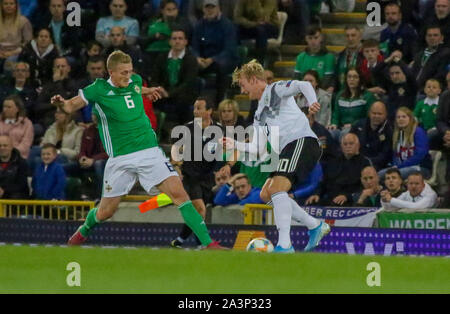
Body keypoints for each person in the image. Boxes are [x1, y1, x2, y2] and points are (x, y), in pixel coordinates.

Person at [52, 50, 224, 249]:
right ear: (111, 72)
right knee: (106, 212)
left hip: (149, 152)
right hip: (120, 158)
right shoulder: (97, 89)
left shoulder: (134, 80)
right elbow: (72, 105)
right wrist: (61, 104)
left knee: (179, 194)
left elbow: (134, 88)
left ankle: (208, 244)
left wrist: (147, 90)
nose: (128, 76)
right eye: (123, 73)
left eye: (130, 71)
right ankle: (82, 232)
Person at [223, 59, 330, 253]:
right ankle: (314, 225)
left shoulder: (275, 90)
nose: (243, 91)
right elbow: (257, 147)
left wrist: (313, 102)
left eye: (243, 85)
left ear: (253, 79)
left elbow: (303, 84)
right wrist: (235, 144)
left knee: (279, 188)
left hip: (303, 141)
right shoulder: (258, 114)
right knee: (266, 193)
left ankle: (284, 245)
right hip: (289, 148)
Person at [170, 96, 225, 248]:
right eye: (194, 108)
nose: (195, 111)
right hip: (189, 176)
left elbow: (225, 151)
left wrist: (224, 168)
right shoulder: (187, 129)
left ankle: (179, 241)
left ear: (209, 111)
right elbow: (175, 150)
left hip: (207, 177)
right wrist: (177, 167)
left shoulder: (219, 130)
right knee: (200, 208)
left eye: (199, 108)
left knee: (198, 212)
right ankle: (204, 243)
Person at [191, 0, 239, 106]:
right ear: (203, 9)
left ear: (218, 8)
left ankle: (219, 103)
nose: (210, 10)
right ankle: (193, 103)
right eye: (207, 7)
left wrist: (213, 59)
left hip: (225, 59)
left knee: (222, 67)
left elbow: (229, 49)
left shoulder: (227, 25)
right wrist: (197, 58)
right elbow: (194, 46)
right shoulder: (199, 25)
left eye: (212, 7)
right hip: (204, 60)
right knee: (190, 65)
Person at [305, 133, 372, 207]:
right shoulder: (334, 162)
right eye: (345, 144)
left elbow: (366, 185)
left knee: (338, 203)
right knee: (311, 203)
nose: (348, 146)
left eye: (351, 143)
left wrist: (347, 196)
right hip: (331, 198)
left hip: (350, 199)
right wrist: (316, 194)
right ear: (341, 147)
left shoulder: (364, 162)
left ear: (358, 145)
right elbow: (324, 181)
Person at [150, 28, 198, 125]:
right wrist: (159, 89)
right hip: (163, 93)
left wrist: (169, 93)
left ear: (185, 42)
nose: (177, 41)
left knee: (183, 102)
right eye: (174, 38)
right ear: (170, 41)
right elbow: (154, 78)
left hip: (183, 94)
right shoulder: (161, 57)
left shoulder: (191, 59)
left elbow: (188, 83)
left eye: (180, 38)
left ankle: (183, 133)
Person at [379, 107, 432, 179]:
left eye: (404, 116)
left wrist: (399, 167)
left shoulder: (418, 132)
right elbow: (395, 156)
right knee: (379, 175)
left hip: (420, 167)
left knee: (396, 176)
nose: (401, 119)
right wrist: (395, 166)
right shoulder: (397, 134)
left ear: (410, 118)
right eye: (398, 117)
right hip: (401, 168)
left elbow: (420, 154)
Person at [64, 115, 108, 200]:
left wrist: (93, 160)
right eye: (93, 114)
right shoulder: (88, 130)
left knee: (98, 164)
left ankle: (101, 197)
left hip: (105, 162)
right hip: (89, 161)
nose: (94, 116)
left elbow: (110, 152)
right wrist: (82, 157)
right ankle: (70, 197)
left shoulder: (110, 130)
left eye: (96, 113)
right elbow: (82, 150)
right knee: (63, 168)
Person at [329, 68, 376, 139]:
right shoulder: (340, 95)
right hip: (341, 127)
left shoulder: (367, 96)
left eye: (355, 77)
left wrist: (354, 125)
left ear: (360, 79)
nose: (352, 79)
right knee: (330, 134)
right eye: (349, 77)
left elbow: (369, 118)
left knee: (345, 134)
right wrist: (334, 124)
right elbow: (336, 114)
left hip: (360, 129)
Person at [36, 56, 79, 129]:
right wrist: (53, 104)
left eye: (63, 66)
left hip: (69, 120)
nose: (60, 69)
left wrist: (58, 82)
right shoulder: (48, 86)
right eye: (57, 67)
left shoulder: (74, 85)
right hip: (49, 119)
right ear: (53, 69)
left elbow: (65, 104)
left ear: (69, 68)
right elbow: (38, 106)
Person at [351, 101, 393, 171]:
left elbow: (385, 155)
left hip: (377, 165)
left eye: (379, 114)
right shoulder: (359, 125)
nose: (376, 116)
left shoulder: (389, 131)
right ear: (369, 113)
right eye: (374, 113)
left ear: (385, 115)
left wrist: (366, 162)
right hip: (356, 161)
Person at [294, 26, 335, 91]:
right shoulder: (300, 57)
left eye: (316, 38)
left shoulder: (329, 57)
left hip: (321, 94)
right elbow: (296, 80)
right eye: (310, 38)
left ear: (321, 38)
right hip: (303, 94)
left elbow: (328, 81)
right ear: (306, 39)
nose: (313, 41)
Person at [411, 25, 450, 92]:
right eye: (429, 35)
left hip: (431, 91)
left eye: (435, 35)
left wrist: (424, 89)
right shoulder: (419, 55)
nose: (432, 38)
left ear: (441, 38)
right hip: (414, 89)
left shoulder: (446, 54)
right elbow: (412, 73)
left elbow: (440, 76)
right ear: (426, 37)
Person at [0, 0, 33, 73]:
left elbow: (28, 44)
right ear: (1, 5)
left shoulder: (23, 21)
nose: (8, 6)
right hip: (1, 52)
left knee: (9, 64)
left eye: (11, 3)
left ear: (16, 5)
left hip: (17, 53)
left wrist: (12, 53)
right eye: (6, 4)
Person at [335, 26, 364, 91]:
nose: (350, 38)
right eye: (347, 36)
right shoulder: (340, 55)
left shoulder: (366, 54)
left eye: (353, 35)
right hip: (343, 94)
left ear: (360, 37)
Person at [0, 134, 29, 199]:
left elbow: (21, 185)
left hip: (15, 198)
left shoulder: (21, 163)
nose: (2, 148)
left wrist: (4, 191)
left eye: (5, 145)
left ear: (11, 147)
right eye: (0, 146)